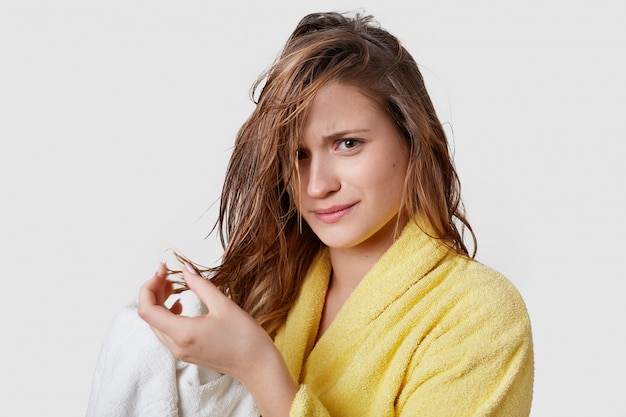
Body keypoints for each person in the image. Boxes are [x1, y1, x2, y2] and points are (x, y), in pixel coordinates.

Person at [133, 10, 533, 417]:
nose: (316, 185)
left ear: (412, 137)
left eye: (347, 144)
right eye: (297, 155)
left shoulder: (478, 315)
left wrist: (257, 365)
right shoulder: (273, 293)